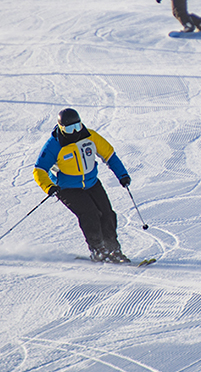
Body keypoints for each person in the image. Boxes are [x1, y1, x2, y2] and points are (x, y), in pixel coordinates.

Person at [33, 108, 133, 263]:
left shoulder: (90, 136)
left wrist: (122, 175)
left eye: (77, 127)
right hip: (67, 188)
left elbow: (110, 155)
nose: (74, 132)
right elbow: (39, 170)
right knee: (90, 214)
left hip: (91, 183)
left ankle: (113, 250)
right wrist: (49, 187)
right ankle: (98, 250)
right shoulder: (54, 145)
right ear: (61, 128)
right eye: (70, 129)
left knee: (107, 213)